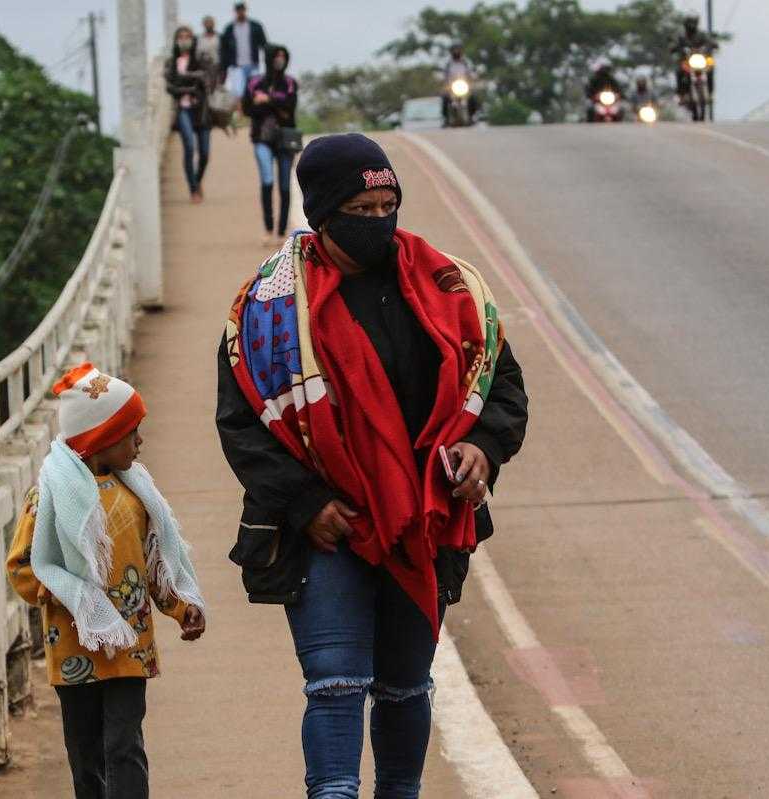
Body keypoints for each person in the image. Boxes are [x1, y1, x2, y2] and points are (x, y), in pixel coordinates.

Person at [216, 134, 528, 798]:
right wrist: (305, 503)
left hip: (424, 522)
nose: (378, 221)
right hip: (326, 527)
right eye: (361, 210)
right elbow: (242, 424)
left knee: (406, 687)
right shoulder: (268, 308)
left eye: (388, 206)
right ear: (323, 214)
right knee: (334, 683)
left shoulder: (450, 288)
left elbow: (500, 385)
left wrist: (485, 446)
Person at [7, 362, 206, 799]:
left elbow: (156, 561)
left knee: (125, 745)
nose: (140, 442)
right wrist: (75, 597)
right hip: (73, 648)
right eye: (131, 432)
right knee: (85, 755)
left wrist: (181, 606)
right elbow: (23, 566)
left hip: (131, 646)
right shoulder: (49, 497)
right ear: (102, 437)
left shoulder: (137, 493)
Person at [243, 44, 297, 246]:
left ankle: (282, 231)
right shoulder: (254, 82)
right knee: (267, 181)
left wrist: (266, 100)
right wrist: (274, 104)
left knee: (284, 186)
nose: (279, 60)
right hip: (261, 138)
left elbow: (290, 108)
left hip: (285, 139)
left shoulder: (290, 83)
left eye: (283, 56)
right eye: (276, 56)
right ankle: (268, 228)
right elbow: (248, 109)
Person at [165, 26, 211, 203]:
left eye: (187, 37)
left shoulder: (200, 59)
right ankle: (193, 189)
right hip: (183, 109)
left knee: (204, 153)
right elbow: (170, 86)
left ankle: (197, 180)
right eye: (181, 37)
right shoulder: (172, 62)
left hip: (201, 110)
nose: (184, 40)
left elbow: (207, 80)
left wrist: (186, 82)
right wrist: (189, 86)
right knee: (189, 147)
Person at [220, 2, 267, 103]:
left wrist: (268, 60)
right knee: (238, 92)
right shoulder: (229, 29)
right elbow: (224, 50)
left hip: (253, 65)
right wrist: (224, 69)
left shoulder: (255, 26)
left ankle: (252, 111)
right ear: (235, 11)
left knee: (254, 90)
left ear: (245, 10)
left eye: (242, 9)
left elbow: (264, 44)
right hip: (236, 66)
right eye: (238, 10)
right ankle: (240, 112)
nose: (240, 12)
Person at [672, 14, 717, 102]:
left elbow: (709, 42)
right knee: (679, 71)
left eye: (693, 22)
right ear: (685, 24)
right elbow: (675, 44)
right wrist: (674, 48)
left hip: (701, 59)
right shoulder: (681, 36)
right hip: (686, 60)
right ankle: (681, 94)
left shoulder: (702, 35)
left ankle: (710, 93)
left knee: (711, 68)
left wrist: (713, 45)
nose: (691, 25)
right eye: (689, 23)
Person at [441, 43, 479, 125]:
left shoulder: (466, 63)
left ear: (461, 51)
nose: (456, 52)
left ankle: (472, 116)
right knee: (445, 98)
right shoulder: (448, 64)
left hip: (464, 86)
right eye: (454, 50)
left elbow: (471, 73)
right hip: (451, 88)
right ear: (451, 52)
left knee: (473, 98)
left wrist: (472, 79)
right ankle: (446, 119)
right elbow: (444, 76)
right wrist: (445, 84)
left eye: (458, 50)